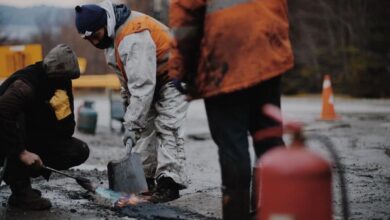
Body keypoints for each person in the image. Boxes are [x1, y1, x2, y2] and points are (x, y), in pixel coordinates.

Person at [169, 0, 294, 219]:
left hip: (225, 53)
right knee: (269, 135)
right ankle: (280, 210)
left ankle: (237, 213)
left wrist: (181, 69)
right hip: (267, 43)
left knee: (232, 143)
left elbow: (185, 21)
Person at [75, 0, 189, 203]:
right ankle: (144, 180)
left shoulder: (132, 36)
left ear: (105, 24)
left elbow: (143, 86)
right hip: (152, 78)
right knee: (142, 128)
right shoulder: (111, 42)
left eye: (96, 36)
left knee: (167, 126)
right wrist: (131, 117)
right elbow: (127, 84)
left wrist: (132, 123)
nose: (94, 42)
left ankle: (169, 184)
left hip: (174, 75)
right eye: (89, 39)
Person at [0, 44, 90, 210]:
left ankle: (20, 174)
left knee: (78, 150)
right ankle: (21, 192)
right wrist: (21, 152)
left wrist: (62, 112)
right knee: (16, 115)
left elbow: (66, 133)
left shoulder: (61, 84)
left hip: (28, 138)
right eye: (63, 77)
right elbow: (4, 112)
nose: (66, 82)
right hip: (5, 138)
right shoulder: (27, 83)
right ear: (53, 73)